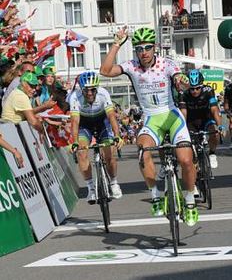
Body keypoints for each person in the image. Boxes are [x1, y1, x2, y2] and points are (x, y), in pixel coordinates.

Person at [100, 26, 198, 226]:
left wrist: (182, 82)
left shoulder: (167, 64)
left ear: (154, 48)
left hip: (171, 116)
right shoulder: (131, 66)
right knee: (143, 151)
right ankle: (155, 194)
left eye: (147, 47)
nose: (143, 52)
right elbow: (105, 71)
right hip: (151, 119)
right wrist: (117, 44)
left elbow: (179, 78)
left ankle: (189, 200)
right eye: (138, 48)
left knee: (186, 161)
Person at [69, 71, 123, 203]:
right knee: (81, 152)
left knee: (109, 154)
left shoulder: (103, 93)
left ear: (96, 88)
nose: (89, 93)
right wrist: (75, 141)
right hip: (84, 125)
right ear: (81, 89)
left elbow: (111, 116)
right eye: (86, 90)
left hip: (102, 123)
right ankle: (91, 188)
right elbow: (75, 121)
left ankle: (114, 183)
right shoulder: (74, 97)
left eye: (92, 90)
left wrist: (117, 136)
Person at [178, 69, 223, 169]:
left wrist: (220, 126)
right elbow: (183, 113)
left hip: (206, 118)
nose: (195, 91)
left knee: (215, 134)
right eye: (192, 89)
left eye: (197, 88)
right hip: (191, 121)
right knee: (190, 145)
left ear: (202, 85)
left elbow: (214, 109)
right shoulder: (183, 94)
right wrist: (182, 128)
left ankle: (212, 153)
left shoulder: (208, 90)